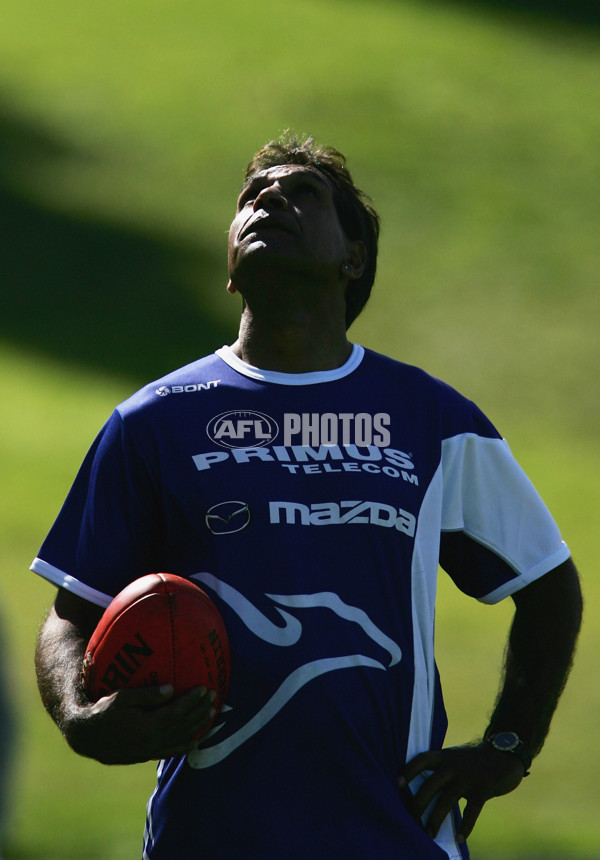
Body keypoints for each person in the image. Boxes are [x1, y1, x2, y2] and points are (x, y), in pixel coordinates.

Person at [32, 134, 582, 860]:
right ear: (230, 269)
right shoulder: (153, 423)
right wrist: (81, 714)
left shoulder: (431, 419)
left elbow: (548, 585)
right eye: (250, 197)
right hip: (210, 839)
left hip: (396, 840)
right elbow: (72, 614)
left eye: (302, 194)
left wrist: (510, 746)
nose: (267, 200)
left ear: (352, 259)